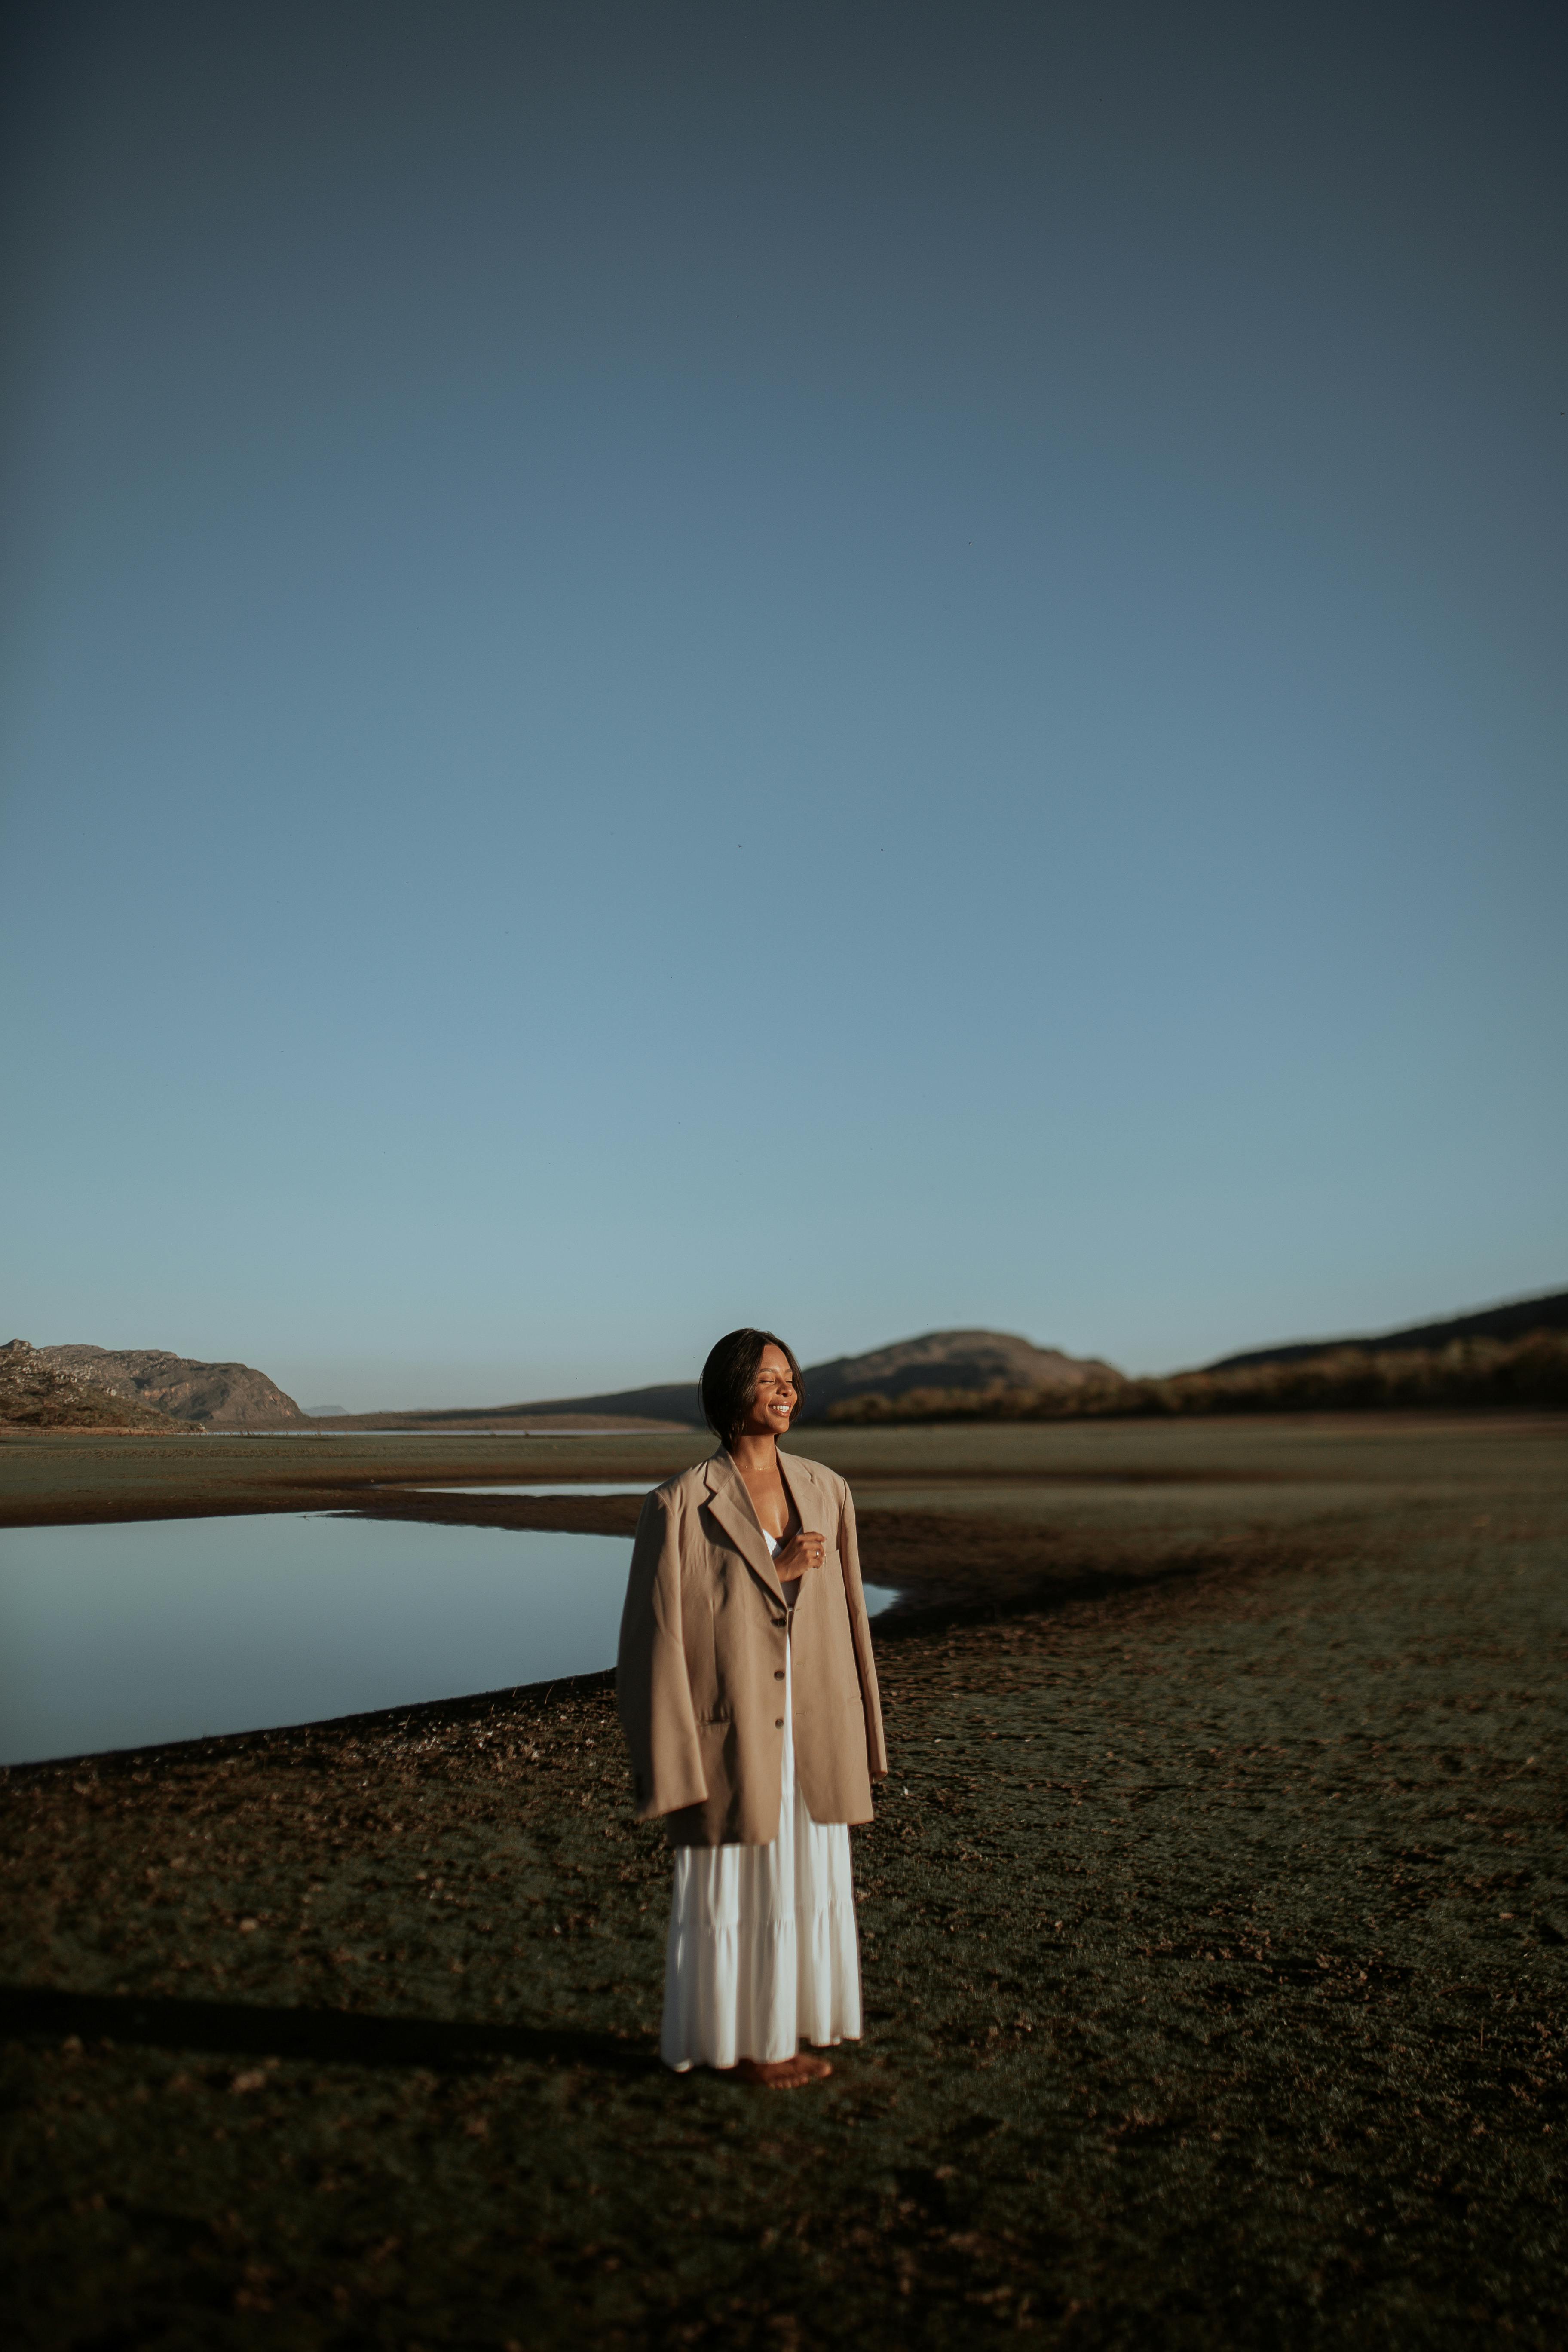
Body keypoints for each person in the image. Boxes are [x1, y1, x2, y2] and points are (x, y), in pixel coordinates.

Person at [616, 1328, 888, 2088]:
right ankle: (749, 2047)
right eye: (771, 1378)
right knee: (741, 1888)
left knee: (808, 1877)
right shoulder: (676, 1506)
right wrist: (778, 1565)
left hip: (814, 1724)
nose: (787, 1391)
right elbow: (653, 1643)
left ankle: (797, 2026)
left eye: (792, 1379)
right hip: (730, 1732)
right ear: (732, 1389)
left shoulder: (828, 1490)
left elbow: (854, 1623)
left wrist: (866, 1735)